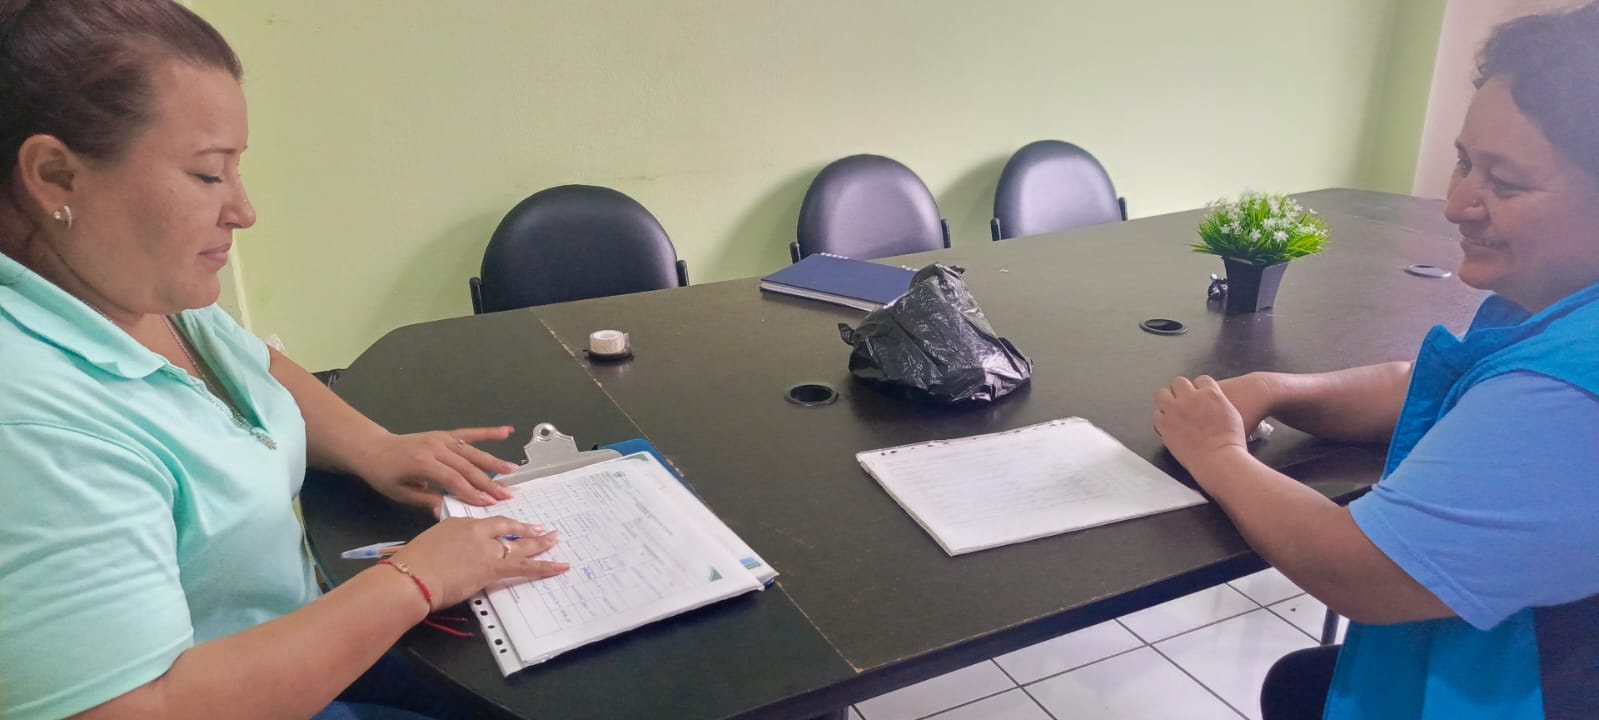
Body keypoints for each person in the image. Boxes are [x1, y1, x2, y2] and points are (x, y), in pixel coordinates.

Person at [0, 2, 569, 718]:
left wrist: (375, 447)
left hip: (299, 631)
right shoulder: (33, 423)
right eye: (208, 175)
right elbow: (129, 708)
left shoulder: (138, 291)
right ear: (56, 175)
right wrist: (413, 581)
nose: (243, 210)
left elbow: (255, 369)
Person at [1153, 4, 1599, 720]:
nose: (1456, 204)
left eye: (1506, 184)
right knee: (1299, 684)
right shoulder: (1555, 304)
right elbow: (1430, 387)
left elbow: (1356, 568)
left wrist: (1216, 453)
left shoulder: (1569, 397)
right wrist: (1275, 388)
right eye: (1464, 161)